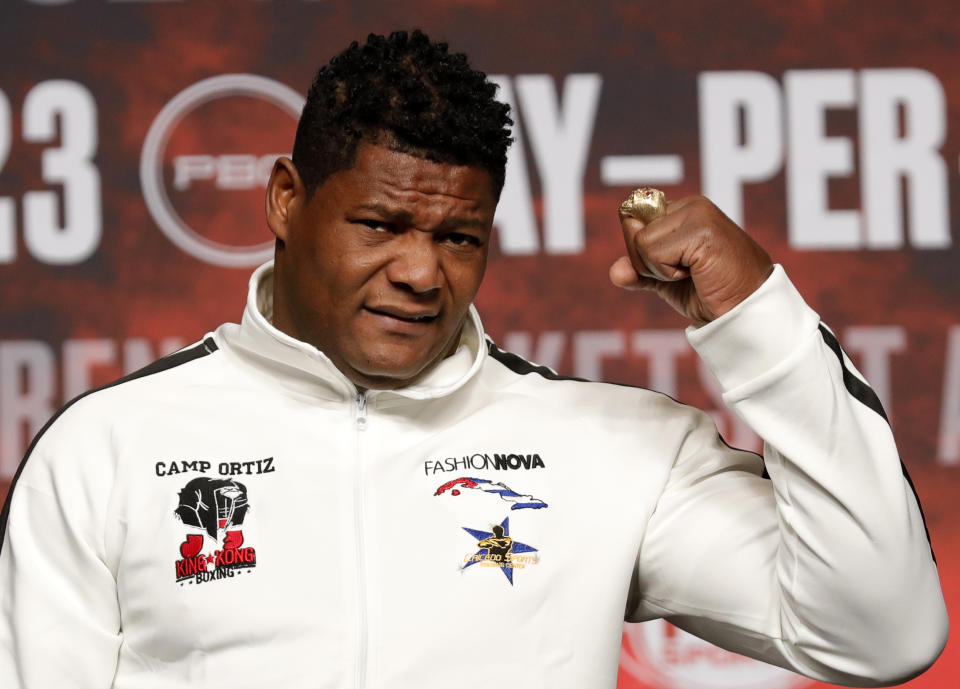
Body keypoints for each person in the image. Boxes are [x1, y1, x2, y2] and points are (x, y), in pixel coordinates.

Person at [0, 29, 947, 689]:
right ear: (287, 200)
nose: (420, 271)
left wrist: (760, 322)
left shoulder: (608, 448)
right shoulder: (108, 449)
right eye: (381, 223)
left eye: (459, 237)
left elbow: (883, 629)